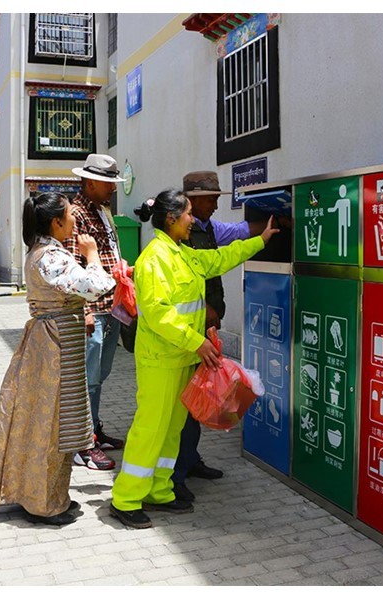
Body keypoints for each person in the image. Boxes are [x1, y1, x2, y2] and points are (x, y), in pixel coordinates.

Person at [108, 189, 279, 529]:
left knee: (171, 429)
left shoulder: (181, 253)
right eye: (188, 214)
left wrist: (260, 240)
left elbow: (217, 261)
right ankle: (125, 499)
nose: (193, 220)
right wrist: (197, 341)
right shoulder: (155, 258)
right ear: (171, 218)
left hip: (180, 357)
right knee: (150, 428)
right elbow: (158, 314)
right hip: (161, 359)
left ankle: (158, 489)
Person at [0, 192, 115, 526]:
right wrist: (93, 254)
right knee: (52, 425)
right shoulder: (51, 256)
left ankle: (53, 496)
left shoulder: (46, 252)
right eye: (70, 215)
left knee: (60, 424)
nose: (75, 220)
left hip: (56, 343)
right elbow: (97, 284)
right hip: (54, 348)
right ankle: (44, 503)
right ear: (56, 222)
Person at [170, 171, 271, 503]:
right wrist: (204, 312)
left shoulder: (210, 228)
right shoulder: (179, 237)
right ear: (193, 200)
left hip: (206, 327)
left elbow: (241, 233)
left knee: (203, 393)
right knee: (187, 401)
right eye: (211, 199)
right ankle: (176, 475)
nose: (215, 205)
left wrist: (274, 226)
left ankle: (190, 459)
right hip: (189, 332)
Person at [65, 154, 127, 471]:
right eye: (108, 184)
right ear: (91, 183)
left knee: (99, 377)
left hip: (110, 305)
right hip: (94, 309)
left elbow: (109, 253)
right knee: (88, 379)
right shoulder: (75, 215)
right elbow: (75, 267)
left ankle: (95, 428)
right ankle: (82, 443)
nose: (113, 190)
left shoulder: (101, 211)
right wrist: (86, 310)